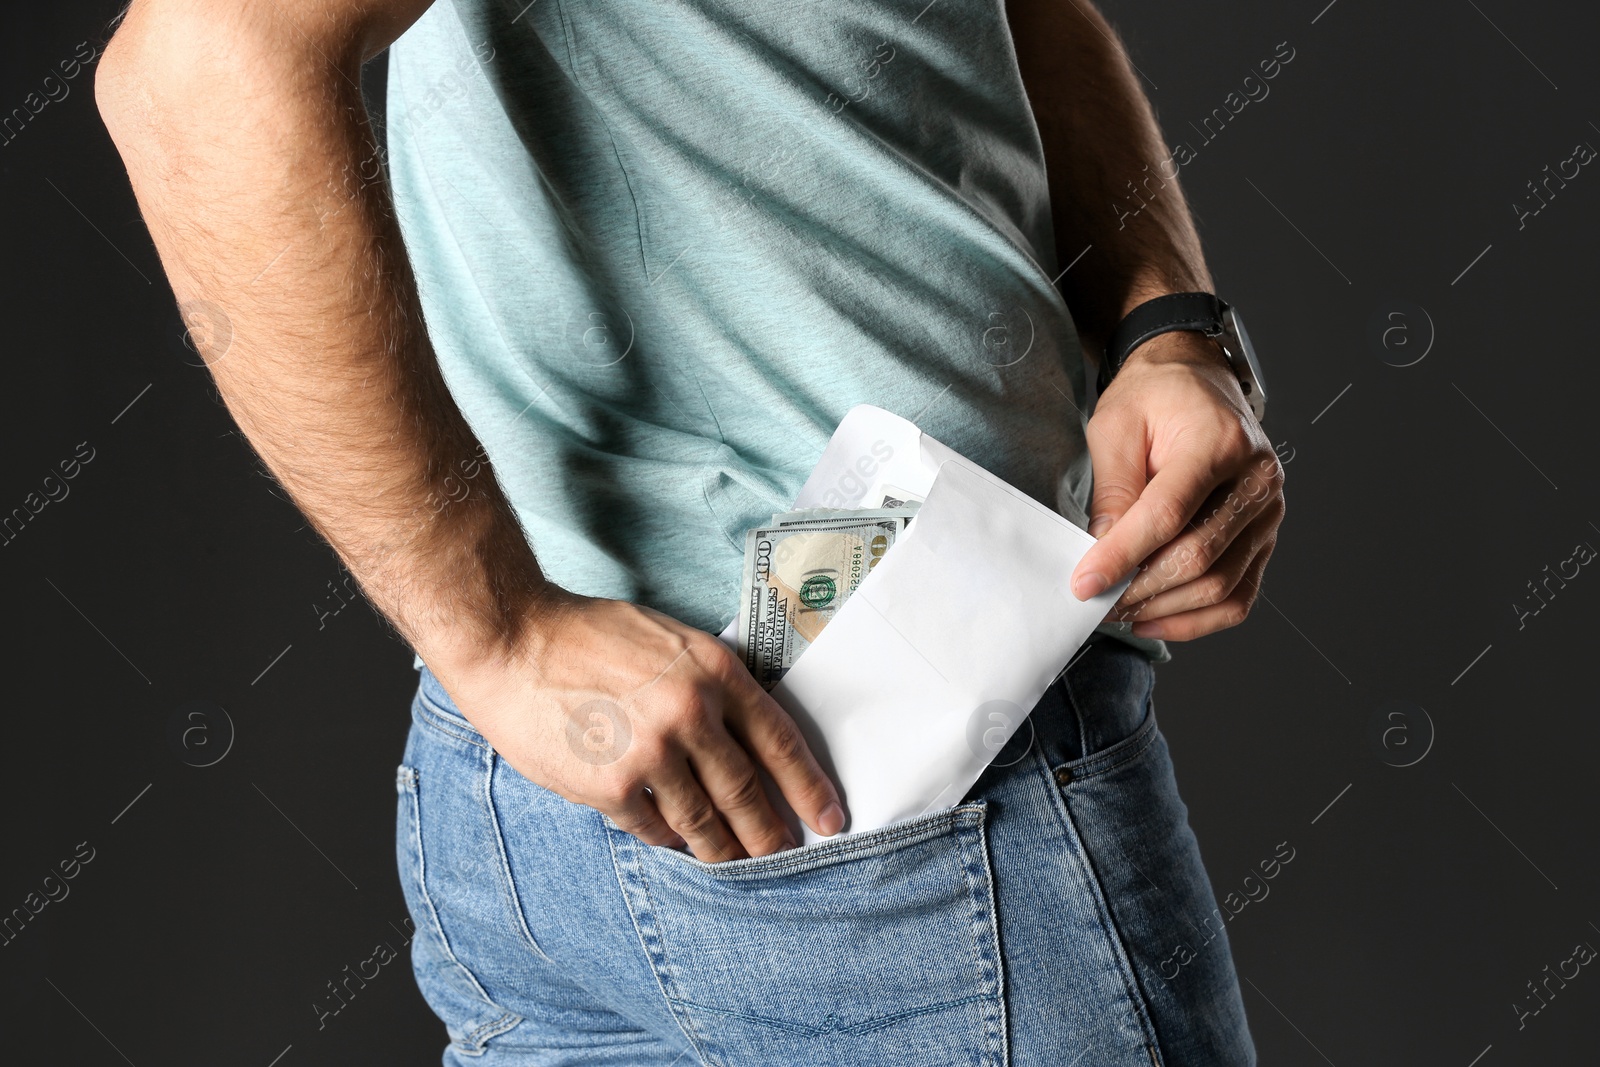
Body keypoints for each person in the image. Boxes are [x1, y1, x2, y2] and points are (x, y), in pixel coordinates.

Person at [97, 0, 1284, 1061]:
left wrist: (1165, 322)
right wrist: (500, 634)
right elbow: (201, 68)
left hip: (587, 790)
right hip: (890, 775)